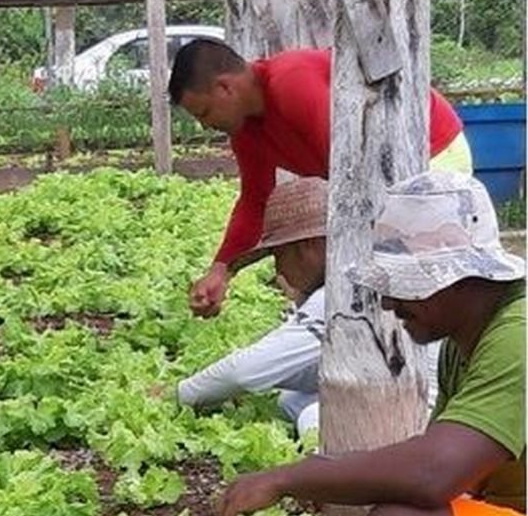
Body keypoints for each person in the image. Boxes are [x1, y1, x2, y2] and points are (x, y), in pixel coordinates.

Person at [218, 171, 525, 516]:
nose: (389, 304)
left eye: (404, 284)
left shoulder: (518, 337)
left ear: (457, 278)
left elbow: (434, 473)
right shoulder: (466, 337)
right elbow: (446, 472)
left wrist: (287, 478)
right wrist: (334, 481)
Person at [167, 40, 474, 319]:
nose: (206, 126)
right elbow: (255, 202)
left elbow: (353, 166)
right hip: (379, 177)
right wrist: (221, 270)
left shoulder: (290, 82)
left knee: (418, 282)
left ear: (225, 88)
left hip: (431, 150)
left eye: (204, 113)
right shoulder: (247, 131)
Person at [177, 177, 437, 435]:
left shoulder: (342, 291)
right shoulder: (361, 269)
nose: (279, 270)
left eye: (280, 255)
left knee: (315, 418)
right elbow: (321, 370)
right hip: (413, 396)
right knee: (293, 400)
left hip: (426, 413)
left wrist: (177, 395)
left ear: (308, 246)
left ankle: (340, 476)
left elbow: (244, 372)